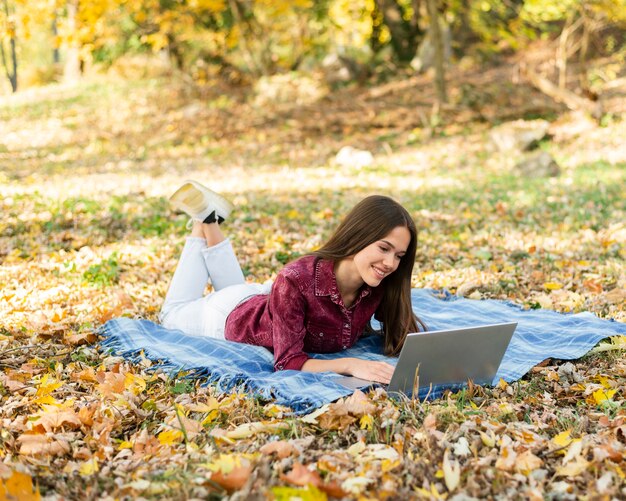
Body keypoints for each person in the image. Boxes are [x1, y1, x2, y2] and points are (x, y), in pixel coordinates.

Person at [160, 180, 427, 384]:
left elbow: (403, 333)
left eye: (399, 255)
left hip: (263, 299)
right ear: (359, 236)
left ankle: (210, 218)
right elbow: (288, 362)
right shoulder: (295, 279)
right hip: (227, 318)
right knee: (171, 313)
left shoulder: (377, 283)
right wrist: (349, 364)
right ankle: (202, 221)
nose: (391, 263)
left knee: (234, 289)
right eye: (384, 248)